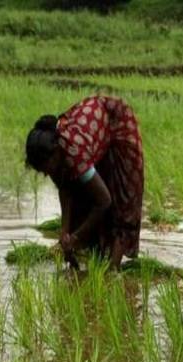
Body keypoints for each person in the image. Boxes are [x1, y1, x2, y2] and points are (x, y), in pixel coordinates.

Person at [25, 95, 144, 270]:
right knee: (83, 193)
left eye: (46, 168)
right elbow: (65, 189)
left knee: (122, 201)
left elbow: (104, 201)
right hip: (94, 133)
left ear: (56, 153)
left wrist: (75, 238)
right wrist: (64, 232)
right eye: (41, 171)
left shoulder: (74, 153)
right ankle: (95, 260)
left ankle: (112, 271)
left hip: (117, 122)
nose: (45, 173)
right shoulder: (52, 157)